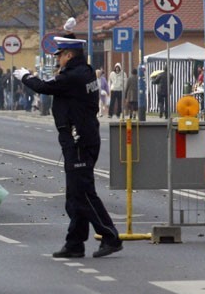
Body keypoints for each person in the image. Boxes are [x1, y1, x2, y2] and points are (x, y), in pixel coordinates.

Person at [13, 34, 123, 258]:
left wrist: (25, 77)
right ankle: (75, 243)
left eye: (60, 55)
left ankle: (110, 236)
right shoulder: (85, 71)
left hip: (79, 140)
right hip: (80, 137)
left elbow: (44, 86)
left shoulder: (73, 76)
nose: (58, 60)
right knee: (75, 196)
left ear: (69, 55)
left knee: (83, 193)